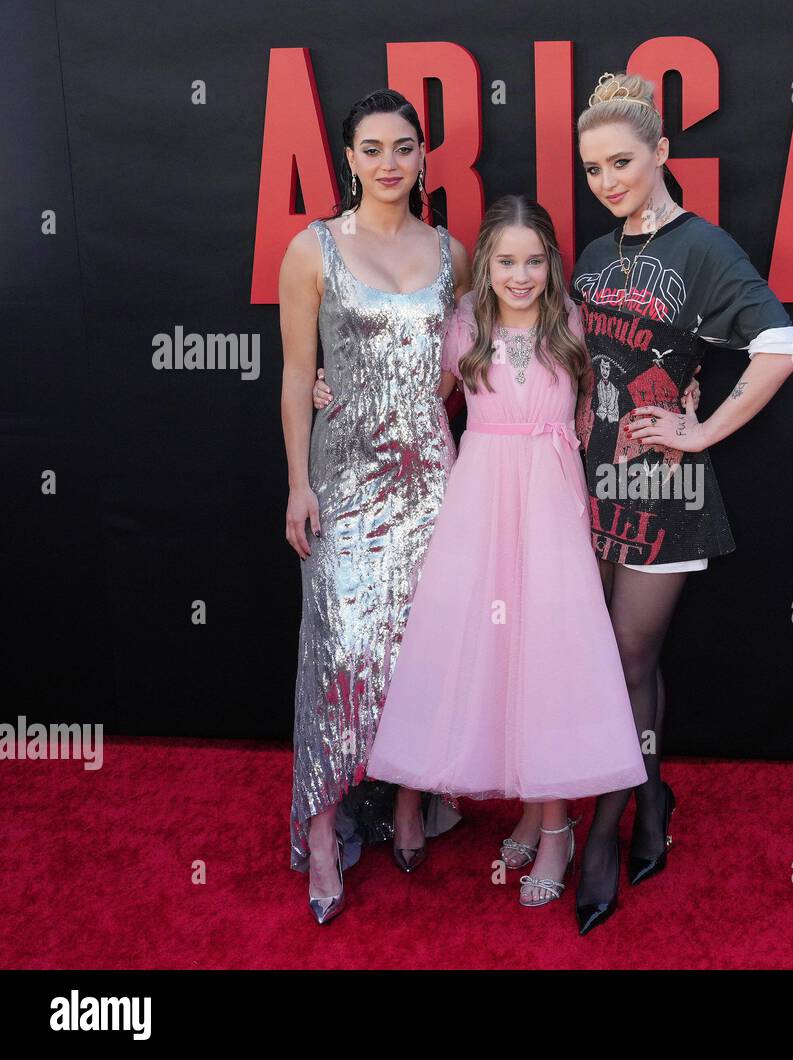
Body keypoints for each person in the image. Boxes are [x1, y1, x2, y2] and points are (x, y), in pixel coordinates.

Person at [568, 71, 793, 934]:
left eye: (622, 162)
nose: (607, 181)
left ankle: (605, 833)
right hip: (591, 480)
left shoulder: (705, 249)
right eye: (592, 168)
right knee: (602, 659)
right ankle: (655, 794)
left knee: (627, 663)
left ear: (663, 152)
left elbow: (781, 344)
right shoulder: (595, 256)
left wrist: (703, 435)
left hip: (662, 488)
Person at [361, 195, 650, 907]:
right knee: (493, 656)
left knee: (547, 657)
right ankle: (528, 805)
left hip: (549, 506)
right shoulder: (465, 323)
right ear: (484, 263)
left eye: (533, 261)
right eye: (506, 261)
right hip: (481, 504)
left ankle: (557, 828)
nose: (520, 275)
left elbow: (596, 408)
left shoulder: (570, 323)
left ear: (551, 263)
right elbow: (419, 397)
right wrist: (340, 390)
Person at [279, 89, 470, 925]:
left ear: (422, 155)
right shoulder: (312, 248)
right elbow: (294, 373)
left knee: (422, 650)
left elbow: (461, 369)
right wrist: (298, 480)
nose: (389, 162)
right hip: (345, 484)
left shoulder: (454, 251)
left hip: (431, 479)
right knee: (339, 654)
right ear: (349, 160)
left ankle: (407, 803)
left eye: (403, 146)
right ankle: (321, 832)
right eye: (371, 148)